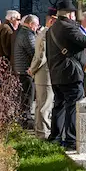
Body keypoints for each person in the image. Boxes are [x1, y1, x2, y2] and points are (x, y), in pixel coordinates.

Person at [46, 0, 86, 150]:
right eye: (73, 13)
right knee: (72, 106)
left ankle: (55, 137)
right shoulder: (68, 27)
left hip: (56, 72)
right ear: (70, 14)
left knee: (59, 106)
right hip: (70, 73)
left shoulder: (52, 29)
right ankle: (71, 139)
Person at [29, 8, 57, 139]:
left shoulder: (43, 32)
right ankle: (44, 134)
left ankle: (39, 132)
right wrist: (33, 69)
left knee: (40, 105)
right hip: (45, 74)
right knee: (45, 106)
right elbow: (41, 56)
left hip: (41, 74)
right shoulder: (47, 33)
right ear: (51, 20)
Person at [13, 14, 40, 127]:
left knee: (25, 96)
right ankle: (26, 120)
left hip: (22, 69)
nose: (37, 28)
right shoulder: (27, 34)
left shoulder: (22, 32)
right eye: (36, 25)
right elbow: (34, 52)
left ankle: (24, 118)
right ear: (30, 24)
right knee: (27, 96)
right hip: (26, 70)